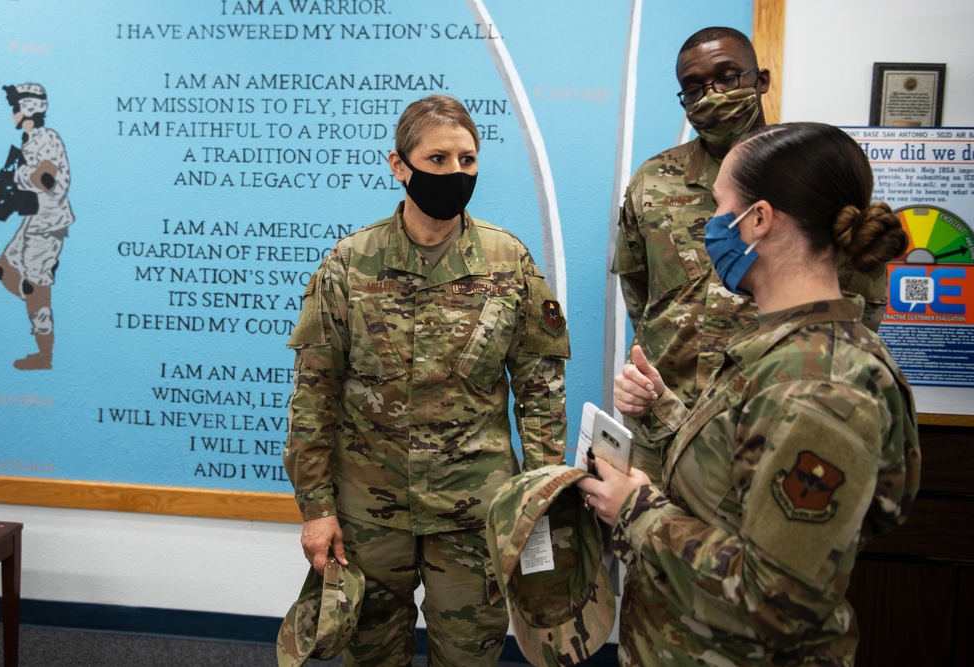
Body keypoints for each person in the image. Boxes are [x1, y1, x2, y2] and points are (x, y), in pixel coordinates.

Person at [579, 122, 921, 666]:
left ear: (757, 220)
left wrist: (634, 509)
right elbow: (743, 477)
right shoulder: (785, 349)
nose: (712, 227)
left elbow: (777, 600)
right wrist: (666, 411)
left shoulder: (820, 387)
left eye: (720, 209)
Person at [283, 94, 571, 667]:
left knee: (469, 656)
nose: (455, 173)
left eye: (467, 160)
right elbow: (314, 393)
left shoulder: (507, 261)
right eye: (437, 159)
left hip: (473, 512)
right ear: (399, 165)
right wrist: (316, 508)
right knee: (370, 655)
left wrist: (537, 497)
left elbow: (541, 393)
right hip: (370, 513)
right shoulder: (349, 263)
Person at [611, 27, 887, 481]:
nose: (712, 94)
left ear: (760, 80)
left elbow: (861, 300)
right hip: (663, 412)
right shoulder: (652, 180)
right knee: (650, 535)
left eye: (726, 77)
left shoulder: (812, 171)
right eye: (695, 88)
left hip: (774, 409)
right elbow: (638, 290)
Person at [0, 83, 74, 370]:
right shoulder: (31, 140)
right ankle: (37, 293)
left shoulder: (47, 139)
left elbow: (46, 179)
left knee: (35, 286)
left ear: (26, 110)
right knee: (4, 269)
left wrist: (16, 177)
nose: (12, 114)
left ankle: (44, 353)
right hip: (34, 220)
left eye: (15, 108)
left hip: (48, 224)